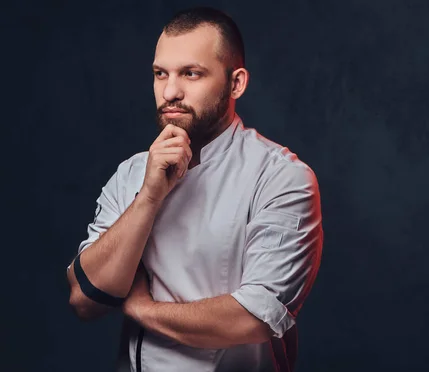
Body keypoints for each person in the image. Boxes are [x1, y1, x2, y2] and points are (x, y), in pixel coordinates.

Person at [66, 6, 323, 372]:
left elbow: (251, 319)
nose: (170, 91)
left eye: (191, 73)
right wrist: (150, 197)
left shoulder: (282, 178)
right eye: (160, 74)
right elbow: (84, 298)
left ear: (236, 83)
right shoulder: (132, 175)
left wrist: (141, 308)